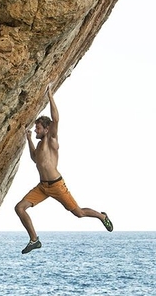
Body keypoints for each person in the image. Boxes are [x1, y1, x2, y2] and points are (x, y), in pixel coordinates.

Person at [15, 85, 113, 254]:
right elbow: (34, 159)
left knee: (79, 213)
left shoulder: (51, 141)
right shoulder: (38, 145)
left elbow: (56, 120)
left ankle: (102, 216)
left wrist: (50, 96)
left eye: (38, 128)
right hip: (42, 187)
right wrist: (29, 138)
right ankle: (34, 240)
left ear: (46, 129)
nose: (36, 130)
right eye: (36, 128)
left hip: (57, 185)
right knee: (19, 208)